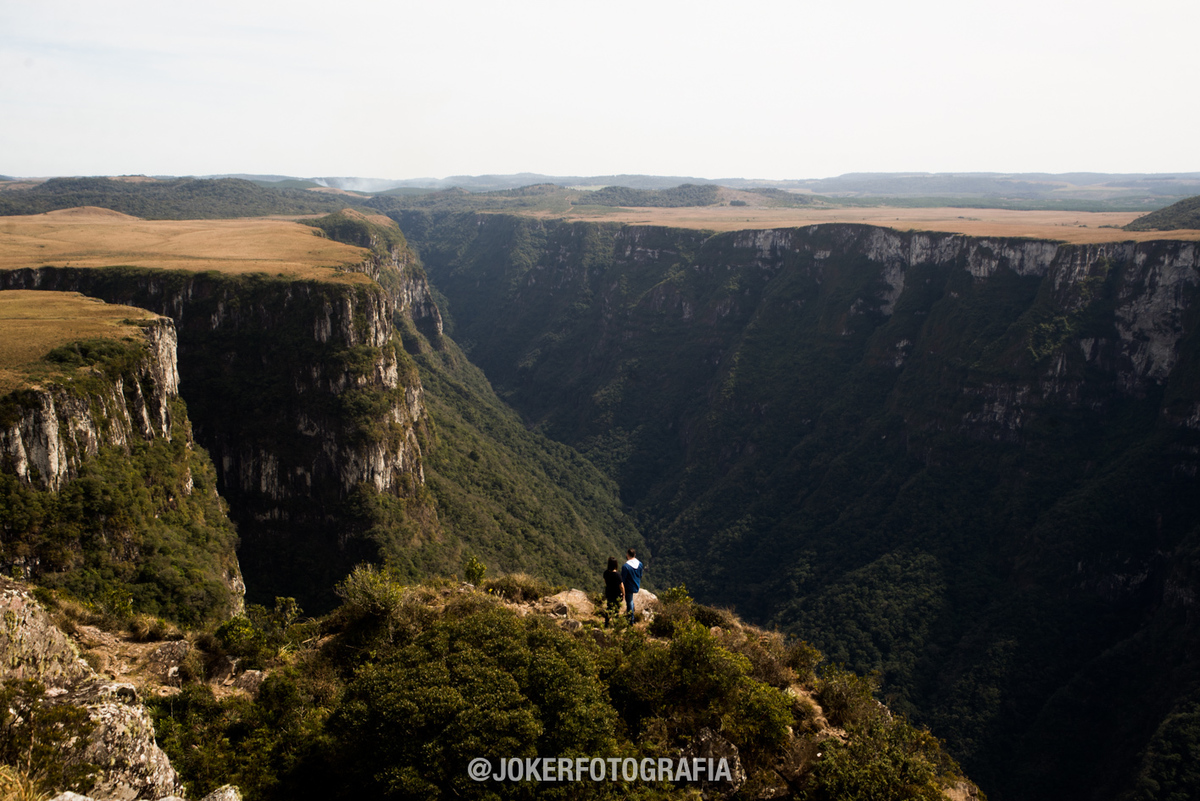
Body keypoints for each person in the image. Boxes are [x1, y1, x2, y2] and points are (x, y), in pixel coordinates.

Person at [620, 548, 644, 623]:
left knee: (629, 601)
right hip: (636, 585)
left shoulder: (626, 566)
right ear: (635, 555)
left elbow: (623, 579)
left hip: (628, 586)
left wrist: (621, 590)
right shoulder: (640, 564)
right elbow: (640, 575)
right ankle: (631, 614)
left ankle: (631, 619)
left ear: (627, 555)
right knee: (630, 601)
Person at [602, 556, 624, 625]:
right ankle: (616, 623)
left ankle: (607, 622)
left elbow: (605, 581)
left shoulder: (606, 573)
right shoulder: (617, 575)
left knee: (609, 607)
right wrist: (623, 593)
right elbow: (621, 586)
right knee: (616, 609)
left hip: (609, 592)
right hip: (617, 593)